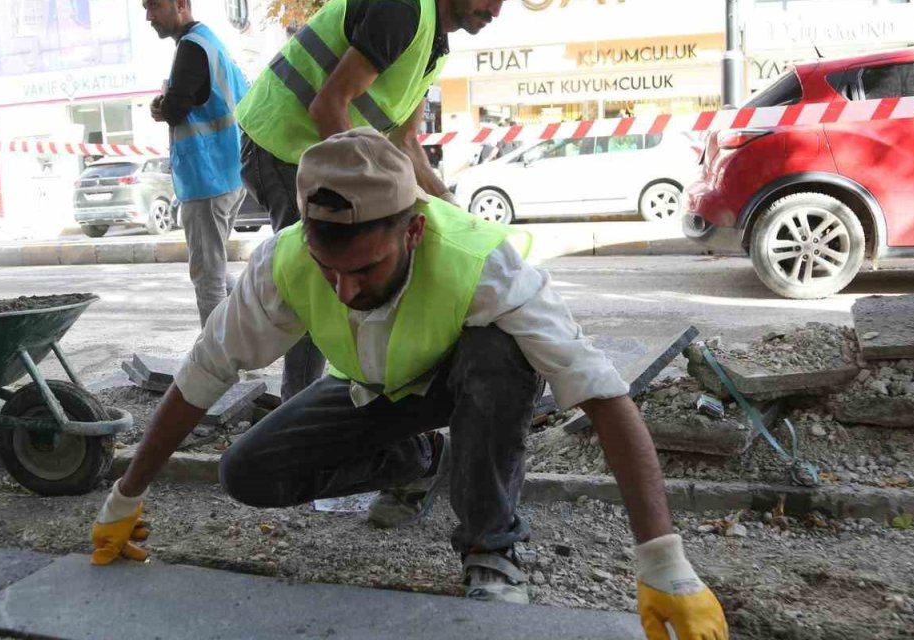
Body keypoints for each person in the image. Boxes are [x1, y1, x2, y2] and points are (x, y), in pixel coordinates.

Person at [90, 129, 729, 639]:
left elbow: (602, 393)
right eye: (327, 269)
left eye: (364, 268)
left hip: (469, 382)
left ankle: (491, 547)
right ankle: (423, 461)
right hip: (376, 388)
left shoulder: (483, 264)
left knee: (496, 356)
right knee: (248, 474)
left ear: (413, 229)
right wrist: (125, 495)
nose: (343, 291)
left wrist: (663, 560)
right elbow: (203, 375)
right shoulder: (282, 261)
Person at [234, 0, 504, 401]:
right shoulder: (403, 10)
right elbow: (328, 107)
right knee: (326, 275)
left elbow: (405, 142)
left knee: (362, 269)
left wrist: (447, 204)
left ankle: (362, 403)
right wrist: (373, 196)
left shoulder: (434, 45)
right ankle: (303, 421)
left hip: (305, 148)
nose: (496, 11)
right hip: (280, 146)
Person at [144, 0, 249, 326]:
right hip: (229, 174)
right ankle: (248, 338)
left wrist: (162, 104)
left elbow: (174, 109)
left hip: (208, 178)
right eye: (145, 8)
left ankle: (218, 371)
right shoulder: (211, 42)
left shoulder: (192, 48)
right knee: (216, 273)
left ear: (181, 5)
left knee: (208, 279)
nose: (149, 16)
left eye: (154, 6)